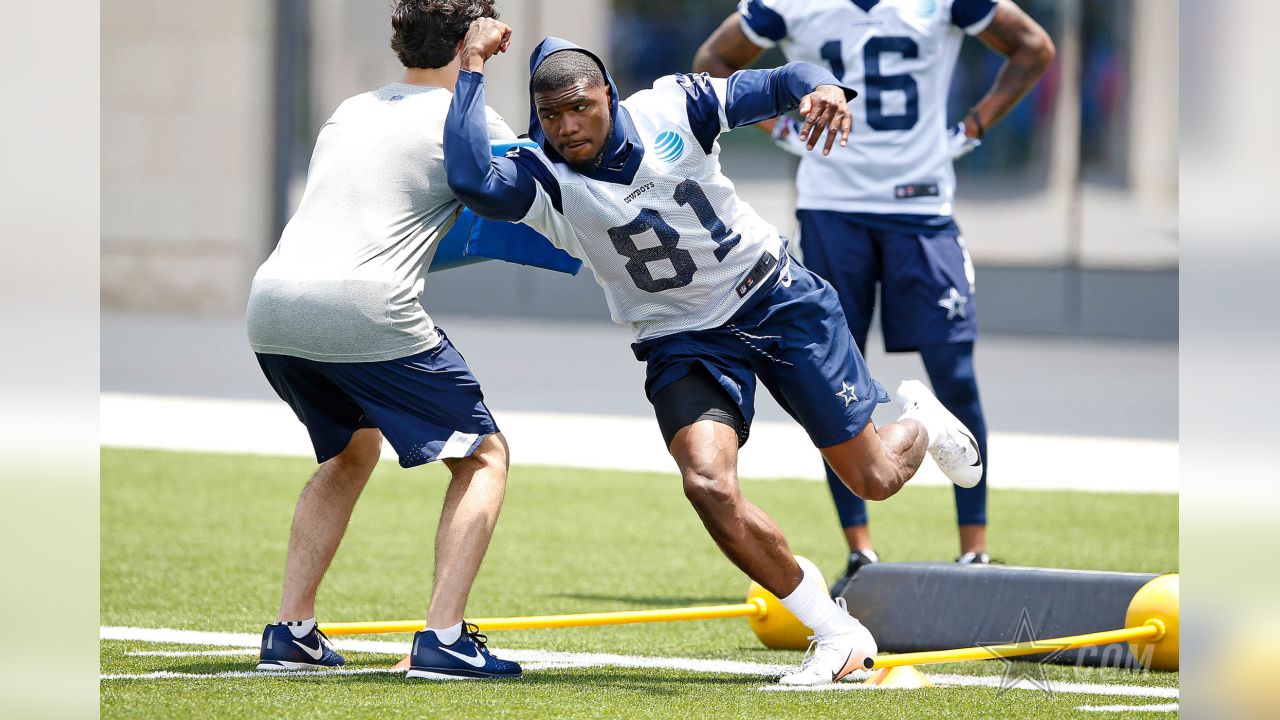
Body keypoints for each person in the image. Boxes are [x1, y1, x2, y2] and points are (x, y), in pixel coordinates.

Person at [444, 18, 983, 685]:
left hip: (774, 299)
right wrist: (470, 64)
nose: (566, 126)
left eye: (579, 106)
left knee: (871, 478)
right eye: (551, 115)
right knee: (706, 483)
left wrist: (824, 89)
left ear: (608, 95)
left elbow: (783, 80)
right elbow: (470, 179)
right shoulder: (541, 173)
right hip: (680, 337)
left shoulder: (674, 105)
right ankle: (835, 631)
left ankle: (921, 422)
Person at [694, 0, 1054, 587]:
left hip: (921, 204)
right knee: (830, 374)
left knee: (954, 371)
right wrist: (776, 123)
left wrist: (974, 125)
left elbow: (1033, 47)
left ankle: (975, 550)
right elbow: (714, 61)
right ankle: (861, 552)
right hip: (833, 204)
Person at [245, 0, 522, 680]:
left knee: (349, 451)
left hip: (273, 306)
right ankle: (446, 640)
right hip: (365, 308)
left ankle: (292, 632)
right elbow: (510, 205)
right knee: (482, 456)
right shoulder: (476, 120)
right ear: (470, 42)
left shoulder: (350, 108)